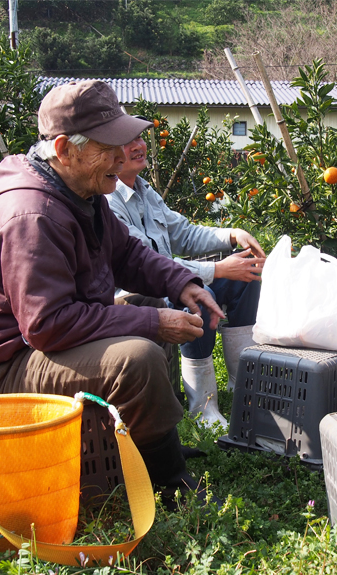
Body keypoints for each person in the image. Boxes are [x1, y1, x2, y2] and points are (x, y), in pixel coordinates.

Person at [0, 80, 226, 500]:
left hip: (33, 346)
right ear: (64, 149)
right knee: (137, 357)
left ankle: (144, 443)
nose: (120, 155)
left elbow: (126, 254)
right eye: (106, 146)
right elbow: (48, 325)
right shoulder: (31, 216)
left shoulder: (79, 193)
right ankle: (168, 481)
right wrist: (153, 321)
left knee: (149, 304)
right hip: (0, 367)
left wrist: (180, 282)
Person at [107, 134, 265, 429]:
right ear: (109, 150)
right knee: (198, 294)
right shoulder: (108, 201)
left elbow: (184, 234)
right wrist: (217, 270)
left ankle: (240, 383)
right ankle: (202, 405)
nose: (139, 146)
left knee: (245, 279)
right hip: (134, 292)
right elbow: (146, 262)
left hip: (169, 279)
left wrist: (232, 234)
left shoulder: (144, 191)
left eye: (140, 138)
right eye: (127, 141)